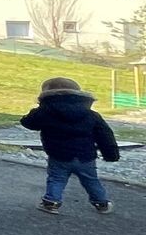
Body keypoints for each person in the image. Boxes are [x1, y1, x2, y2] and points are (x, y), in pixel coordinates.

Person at [20, 76, 118, 214]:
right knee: (91, 180)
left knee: (56, 179)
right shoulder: (91, 115)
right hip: (86, 156)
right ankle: (102, 203)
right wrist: (111, 154)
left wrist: (39, 108)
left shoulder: (46, 112)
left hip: (58, 155)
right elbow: (105, 134)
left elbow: (28, 123)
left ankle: (51, 203)